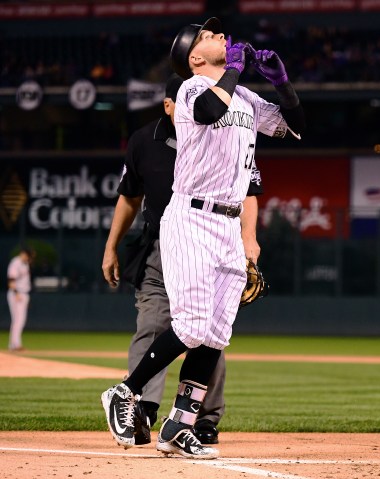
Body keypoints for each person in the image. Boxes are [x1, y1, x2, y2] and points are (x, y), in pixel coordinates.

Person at [101, 16, 304, 459]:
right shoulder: (192, 88)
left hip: (228, 225)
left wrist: (281, 82)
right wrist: (233, 67)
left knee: (214, 334)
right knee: (191, 327)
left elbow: (293, 124)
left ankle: (180, 424)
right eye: (209, 36)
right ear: (195, 57)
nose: (220, 36)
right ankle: (124, 392)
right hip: (191, 218)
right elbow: (213, 110)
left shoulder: (244, 96)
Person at [102, 74, 263, 445]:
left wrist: (248, 240)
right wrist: (112, 246)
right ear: (168, 105)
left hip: (214, 239)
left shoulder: (227, 129)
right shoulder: (146, 140)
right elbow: (128, 197)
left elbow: (251, 191)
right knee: (155, 324)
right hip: (162, 244)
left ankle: (199, 420)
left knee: (211, 331)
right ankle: (139, 410)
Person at [6, 246, 34, 352]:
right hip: (17, 294)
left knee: (18, 320)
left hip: (24, 293)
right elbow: (11, 279)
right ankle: (15, 344)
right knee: (18, 320)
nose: (29, 258)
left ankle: (13, 344)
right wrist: (16, 293)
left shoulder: (25, 264)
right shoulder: (16, 263)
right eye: (28, 255)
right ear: (23, 253)